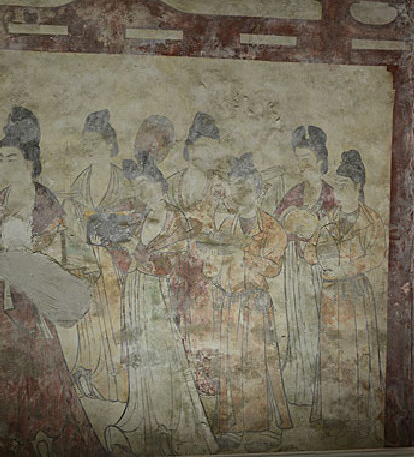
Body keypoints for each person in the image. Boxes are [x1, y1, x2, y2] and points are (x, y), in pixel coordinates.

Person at [0, 107, 106, 456]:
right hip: (0, 288)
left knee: (39, 354)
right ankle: (9, 430)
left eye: (11, 158)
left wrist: (27, 248)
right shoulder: (0, 199)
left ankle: (48, 427)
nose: (5, 165)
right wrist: (2, 245)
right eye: (1, 158)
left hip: (33, 286)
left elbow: (51, 236)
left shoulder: (43, 198)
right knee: (5, 359)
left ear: (29, 160)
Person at [105, 160, 218, 457]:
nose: (140, 191)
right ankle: (144, 420)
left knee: (165, 356)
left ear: (159, 184)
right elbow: (124, 257)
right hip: (136, 292)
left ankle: (171, 424)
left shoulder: (174, 220)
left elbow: (177, 262)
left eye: (145, 184)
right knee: (141, 355)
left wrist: (142, 257)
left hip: (161, 297)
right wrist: (121, 248)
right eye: (137, 186)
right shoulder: (138, 218)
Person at [196, 152, 292, 452]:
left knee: (260, 363)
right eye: (236, 188)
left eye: (245, 188)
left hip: (256, 303)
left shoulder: (271, 227)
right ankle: (232, 425)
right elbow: (211, 269)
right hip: (231, 303)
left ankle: (264, 426)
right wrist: (210, 258)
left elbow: (272, 267)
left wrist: (242, 254)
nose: (239, 194)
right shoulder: (227, 225)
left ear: (258, 191)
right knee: (231, 363)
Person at [304, 150, 385, 438]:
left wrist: (346, 268)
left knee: (357, 351)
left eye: (344, 185)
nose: (338, 190)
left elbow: (375, 255)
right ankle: (331, 415)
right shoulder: (328, 219)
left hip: (355, 293)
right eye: (336, 185)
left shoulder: (371, 220)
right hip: (331, 294)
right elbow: (309, 251)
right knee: (331, 353)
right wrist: (321, 258)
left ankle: (360, 415)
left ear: (357, 186)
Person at [63, 109, 134, 402]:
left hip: (114, 264)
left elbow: (132, 220)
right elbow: (71, 224)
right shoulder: (80, 182)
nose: (90, 148)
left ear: (109, 143)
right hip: (87, 262)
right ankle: (89, 375)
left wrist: (106, 229)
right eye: (86, 143)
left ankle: (114, 383)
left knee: (115, 321)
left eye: (95, 142)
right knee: (89, 322)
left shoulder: (122, 180)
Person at [166, 112, 228, 407]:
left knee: (204, 323)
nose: (206, 155)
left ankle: (206, 380)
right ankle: (180, 381)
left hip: (207, 267)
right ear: (189, 149)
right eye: (201, 147)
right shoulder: (171, 184)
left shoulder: (221, 187)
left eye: (212, 149)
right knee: (175, 320)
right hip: (176, 265)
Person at [275, 126, 336, 408]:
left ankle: (321, 391)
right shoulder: (294, 192)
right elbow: (277, 224)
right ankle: (299, 386)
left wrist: (317, 229)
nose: (303, 166)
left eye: (307, 159)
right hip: (296, 266)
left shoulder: (332, 194)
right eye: (299, 160)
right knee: (298, 323)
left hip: (321, 269)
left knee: (320, 323)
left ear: (320, 159)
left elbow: (339, 230)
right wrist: (289, 222)